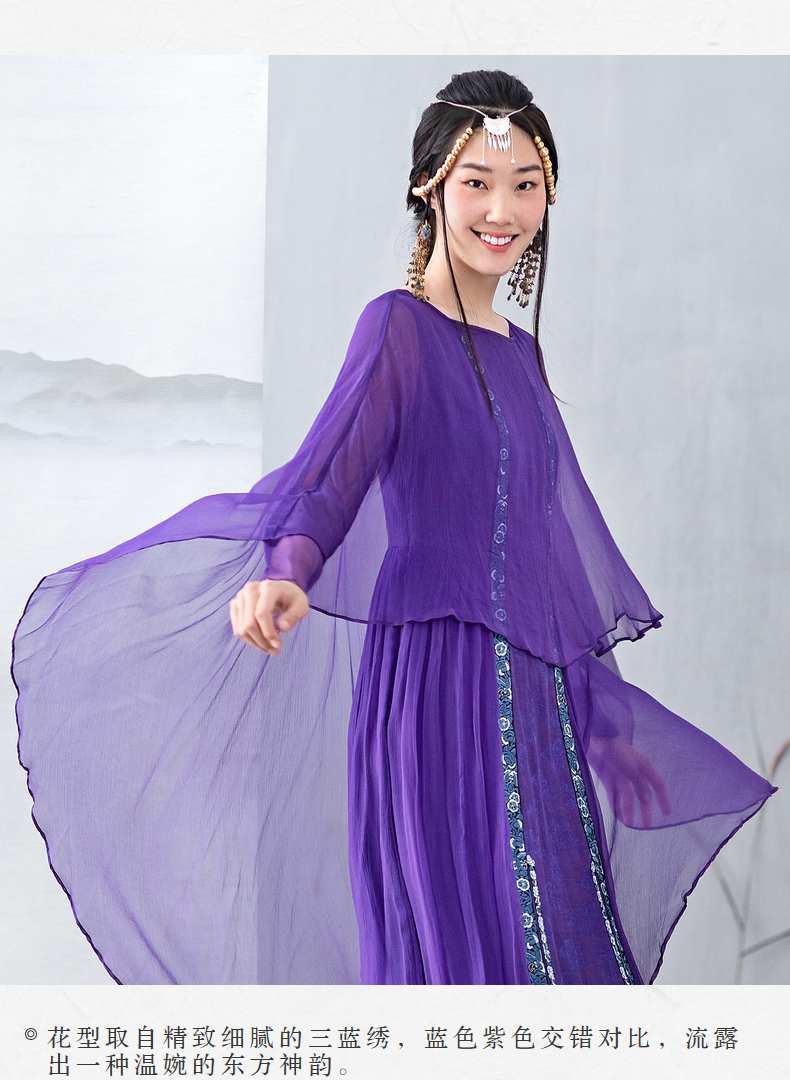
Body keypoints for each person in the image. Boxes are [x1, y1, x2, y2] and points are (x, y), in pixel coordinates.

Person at [14, 69, 775, 986]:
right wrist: (288, 568)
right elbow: (330, 473)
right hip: (436, 688)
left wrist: (602, 726)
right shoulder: (396, 330)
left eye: (526, 184)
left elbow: (550, 553)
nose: (503, 209)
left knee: (551, 956)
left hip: (538, 703)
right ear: (430, 189)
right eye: (477, 182)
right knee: (457, 949)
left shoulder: (523, 358)